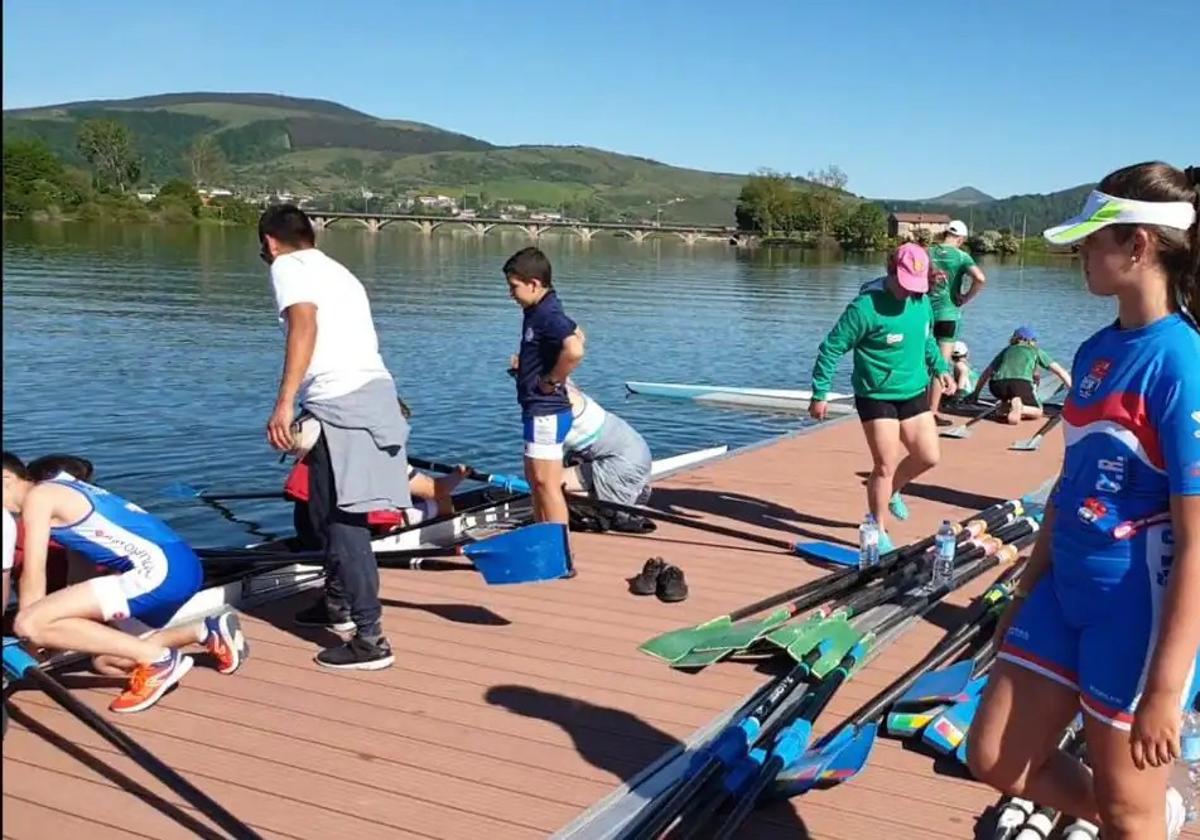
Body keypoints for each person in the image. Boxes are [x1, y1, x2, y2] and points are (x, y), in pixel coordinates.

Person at [967, 161, 1200, 840]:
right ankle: (1150, 819)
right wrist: (1021, 594)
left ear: (1139, 246)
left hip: (1136, 610)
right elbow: (1070, 490)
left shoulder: (1182, 362)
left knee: (1130, 814)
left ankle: (1143, 820)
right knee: (994, 757)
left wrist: (1165, 688)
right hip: (1064, 590)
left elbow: (1196, 542)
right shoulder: (1098, 349)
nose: (1080, 257)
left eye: (1093, 243)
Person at [260, 204, 411, 670]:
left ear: (269, 242)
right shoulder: (339, 271)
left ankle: (370, 639)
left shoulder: (288, 265)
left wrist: (284, 402)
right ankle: (336, 604)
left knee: (346, 523)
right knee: (324, 509)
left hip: (346, 403)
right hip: (364, 396)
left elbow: (304, 324)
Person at [2, 451, 247, 713]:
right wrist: (57, 630)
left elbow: (34, 573)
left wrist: (30, 634)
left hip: (158, 571)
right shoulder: (68, 491)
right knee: (108, 660)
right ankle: (205, 630)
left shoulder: (39, 497)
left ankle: (158, 661)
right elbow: (81, 577)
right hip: (183, 565)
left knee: (29, 622)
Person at [810, 242, 956, 551]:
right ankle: (877, 529)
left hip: (914, 390)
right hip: (876, 394)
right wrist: (820, 392)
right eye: (904, 284)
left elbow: (927, 340)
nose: (909, 292)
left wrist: (941, 368)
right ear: (891, 271)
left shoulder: (921, 302)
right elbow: (832, 347)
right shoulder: (865, 308)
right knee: (885, 465)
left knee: (929, 456)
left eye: (916, 286)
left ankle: (891, 492)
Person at [283, 408, 468, 548]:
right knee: (443, 500)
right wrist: (458, 476)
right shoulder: (384, 455)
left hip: (307, 530)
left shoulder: (324, 447)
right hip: (348, 539)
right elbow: (436, 489)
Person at [504, 246, 585, 527]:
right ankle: (544, 539)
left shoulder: (546, 313)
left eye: (514, 287)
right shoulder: (540, 308)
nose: (510, 294)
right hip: (539, 411)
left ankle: (558, 550)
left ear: (534, 284)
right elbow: (578, 332)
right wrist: (531, 363)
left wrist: (552, 379)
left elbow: (574, 349)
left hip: (547, 411)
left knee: (546, 483)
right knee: (536, 481)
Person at [561, 380, 656, 534]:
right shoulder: (567, 386)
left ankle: (615, 506)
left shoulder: (554, 403)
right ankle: (628, 495)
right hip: (637, 454)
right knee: (565, 465)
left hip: (623, 463)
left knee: (547, 484)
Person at [928, 221, 988, 418]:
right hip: (949, 314)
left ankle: (914, 406)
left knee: (922, 361)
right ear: (961, 239)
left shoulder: (927, 252)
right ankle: (933, 412)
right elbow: (980, 279)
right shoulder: (962, 256)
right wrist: (966, 297)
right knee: (941, 364)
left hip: (925, 314)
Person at [970, 327, 1073, 424]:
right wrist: (1073, 394)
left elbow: (986, 373)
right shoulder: (1035, 351)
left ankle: (1006, 406)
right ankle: (1021, 408)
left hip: (997, 386)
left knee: (1002, 410)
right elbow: (1061, 372)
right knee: (1038, 412)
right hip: (1020, 384)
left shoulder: (1006, 350)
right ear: (1032, 341)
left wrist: (976, 393)